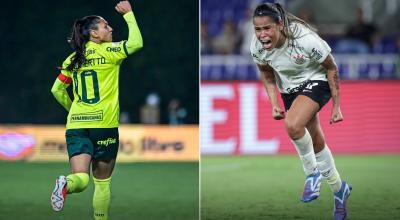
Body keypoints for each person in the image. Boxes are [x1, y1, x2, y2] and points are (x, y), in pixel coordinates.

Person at [250, 3, 351, 220]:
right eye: (258, 30)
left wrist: (336, 106)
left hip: (316, 81)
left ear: (280, 24)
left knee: (293, 125)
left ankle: (312, 174)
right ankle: (339, 190)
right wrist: (274, 102)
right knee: (316, 142)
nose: (262, 35)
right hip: (289, 90)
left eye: (267, 28)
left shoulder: (306, 39)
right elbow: (267, 74)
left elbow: (331, 67)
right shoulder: (256, 47)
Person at [50, 1, 143, 219]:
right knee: (102, 184)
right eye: (105, 26)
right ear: (94, 34)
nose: (110, 28)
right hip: (104, 125)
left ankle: (66, 183)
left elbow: (56, 89)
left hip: (77, 125)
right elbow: (137, 43)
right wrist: (129, 14)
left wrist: (74, 109)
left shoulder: (73, 59)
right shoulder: (110, 51)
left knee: (80, 180)